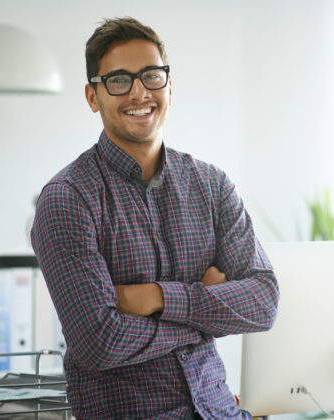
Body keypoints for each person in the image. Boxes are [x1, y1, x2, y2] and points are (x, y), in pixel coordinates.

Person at [31, 17, 279, 420]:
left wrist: (156, 298)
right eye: (118, 80)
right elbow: (99, 342)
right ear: (93, 97)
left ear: (169, 86)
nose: (139, 92)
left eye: (151, 76)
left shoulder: (211, 185)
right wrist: (206, 314)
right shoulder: (68, 199)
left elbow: (264, 301)